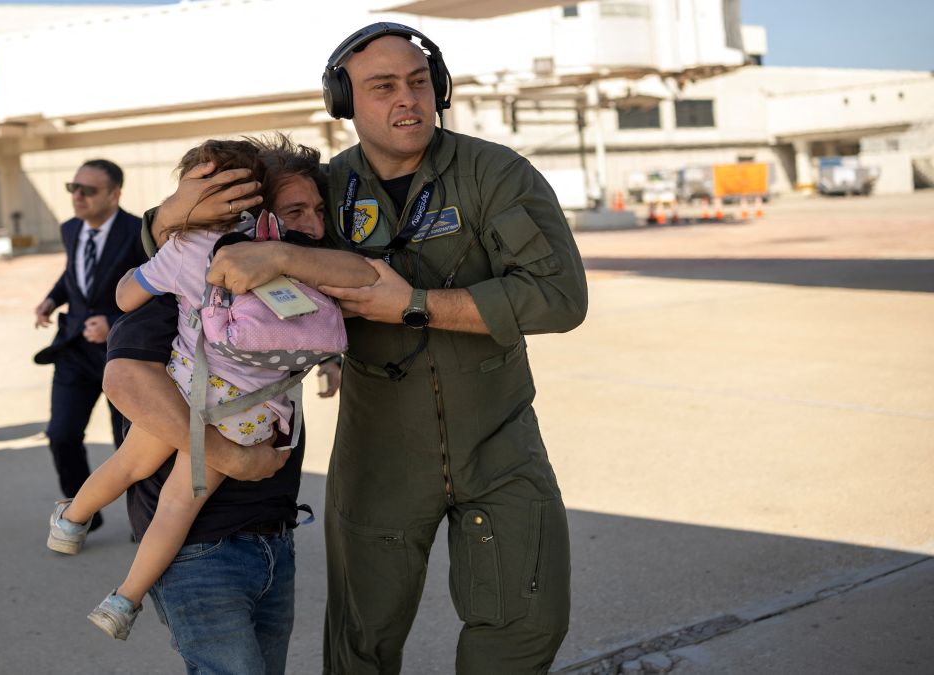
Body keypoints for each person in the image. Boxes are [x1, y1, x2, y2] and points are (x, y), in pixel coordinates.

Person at [193, 23, 590, 674]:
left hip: (498, 440)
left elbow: (559, 296)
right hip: (378, 451)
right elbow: (192, 245)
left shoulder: (494, 175)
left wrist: (415, 304)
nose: (408, 99)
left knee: (523, 625)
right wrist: (165, 225)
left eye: (418, 81)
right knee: (360, 641)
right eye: (383, 87)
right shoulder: (319, 191)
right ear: (344, 101)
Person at [97, 135, 329, 673]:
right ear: (256, 217)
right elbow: (126, 382)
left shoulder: (285, 280)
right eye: (296, 211)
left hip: (274, 533)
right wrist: (234, 457)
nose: (313, 225)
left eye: (318, 211)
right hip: (200, 549)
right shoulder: (190, 291)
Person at [34, 160, 148, 533]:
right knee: (61, 435)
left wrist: (113, 324)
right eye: (73, 187)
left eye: (88, 190)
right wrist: (52, 300)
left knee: (129, 443)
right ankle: (84, 511)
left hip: (123, 354)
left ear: (115, 194)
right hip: (73, 349)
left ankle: (143, 519)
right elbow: (75, 275)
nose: (77, 196)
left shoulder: (138, 232)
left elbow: (160, 290)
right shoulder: (70, 229)